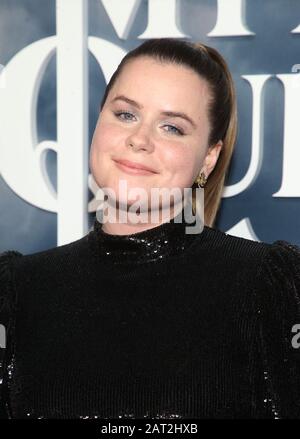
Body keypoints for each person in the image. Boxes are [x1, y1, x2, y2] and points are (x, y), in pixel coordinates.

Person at [0, 38, 300, 419]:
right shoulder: (17, 294)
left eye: (172, 127)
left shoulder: (268, 289)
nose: (140, 140)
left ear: (209, 157)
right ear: (99, 120)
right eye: (125, 114)